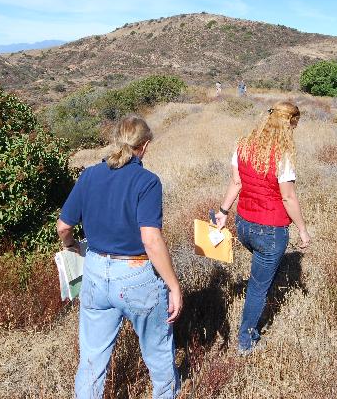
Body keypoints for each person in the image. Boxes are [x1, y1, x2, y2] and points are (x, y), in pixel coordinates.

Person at [57, 115, 182, 399]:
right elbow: (151, 240)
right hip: (137, 274)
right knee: (158, 354)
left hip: (96, 271)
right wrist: (174, 286)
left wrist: (72, 246)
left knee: (91, 361)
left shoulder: (89, 175)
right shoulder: (147, 182)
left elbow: (64, 226)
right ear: (145, 146)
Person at [213, 101, 312, 354]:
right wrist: (302, 229)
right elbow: (288, 198)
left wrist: (223, 212)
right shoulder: (283, 155)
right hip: (271, 229)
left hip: (244, 224)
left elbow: (236, 182)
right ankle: (246, 342)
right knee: (258, 288)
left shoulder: (242, 145)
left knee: (261, 272)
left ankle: (262, 283)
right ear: (289, 124)